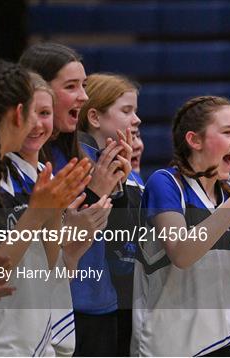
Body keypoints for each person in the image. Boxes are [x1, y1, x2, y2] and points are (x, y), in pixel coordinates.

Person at [0, 60, 90, 356]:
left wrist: (54, 210)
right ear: (19, 114)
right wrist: (36, 215)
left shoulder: (13, 173)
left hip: (34, 341)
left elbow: (47, 262)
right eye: (35, 112)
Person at [132, 95, 230, 356]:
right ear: (194, 140)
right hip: (171, 346)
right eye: (227, 132)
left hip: (224, 343)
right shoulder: (166, 183)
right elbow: (182, 253)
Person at [19, 42, 130, 356]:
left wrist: (118, 190)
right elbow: (33, 244)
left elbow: (119, 240)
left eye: (84, 84)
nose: (83, 95)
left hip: (99, 300)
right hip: (57, 305)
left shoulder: (86, 152)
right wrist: (95, 193)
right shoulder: (25, 162)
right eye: (71, 86)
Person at [77, 72, 144, 356]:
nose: (137, 119)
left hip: (108, 298)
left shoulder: (120, 167)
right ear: (94, 117)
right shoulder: (76, 162)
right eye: (127, 110)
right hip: (75, 299)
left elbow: (121, 241)